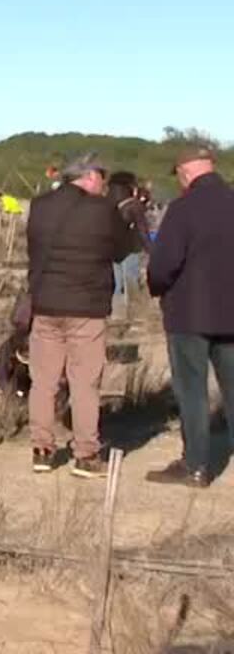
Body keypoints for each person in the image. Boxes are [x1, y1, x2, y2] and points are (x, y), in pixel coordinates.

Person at [24, 155, 134, 478]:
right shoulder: (102, 210)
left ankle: (41, 449)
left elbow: (33, 249)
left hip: (46, 304)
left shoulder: (40, 205)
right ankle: (86, 454)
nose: (104, 184)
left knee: (43, 381)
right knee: (85, 382)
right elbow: (122, 250)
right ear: (88, 176)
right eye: (102, 177)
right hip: (87, 307)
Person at [145, 145, 234, 488]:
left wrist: (157, 287)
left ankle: (196, 465)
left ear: (184, 172)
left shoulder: (183, 209)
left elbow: (164, 264)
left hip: (189, 314)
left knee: (192, 392)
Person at [107, 170, 152, 309]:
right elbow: (142, 230)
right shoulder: (134, 205)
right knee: (131, 280)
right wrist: (151, 250)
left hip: (111, 248)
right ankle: (132, 310)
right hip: (131, 248)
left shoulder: (105, 203)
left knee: (116, 283)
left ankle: (115, 310)